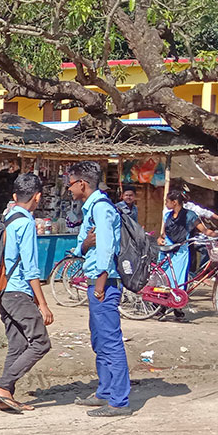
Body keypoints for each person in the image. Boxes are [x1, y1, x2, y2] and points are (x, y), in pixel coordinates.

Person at [69, 161, 132, 417]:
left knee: (110, 341)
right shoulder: (92, 208)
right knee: (99, 340)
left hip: (103, 285)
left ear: (82, 183)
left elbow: (106, 249)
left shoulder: (102, 209)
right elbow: (82, 248)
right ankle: (104, 391)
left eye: (70, 184)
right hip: (96, 283)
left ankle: (119, 401)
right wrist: (84, 245)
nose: (69, 189)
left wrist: (101, 286)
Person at [0, 173, 54, 413]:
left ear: (15, 196)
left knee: (17, 344)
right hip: (17, 291)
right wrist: (43, 304)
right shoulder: (26, 223)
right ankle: (3, 385)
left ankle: (5, 395)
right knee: (40, 342)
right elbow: (30, 268)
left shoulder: (7, 216)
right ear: (37, 197)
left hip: (1, 290)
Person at [158, 187, 216, 321]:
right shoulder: (168, 216)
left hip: (181, 252)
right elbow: (164, 234)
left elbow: (205, 231)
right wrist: (160, 238)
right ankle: (161, 307)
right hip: (167, 250)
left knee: (179, 281)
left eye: (167, 201)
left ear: (174, 202)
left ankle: (177, 308)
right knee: (164, 279)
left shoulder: (190, 216)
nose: (166, 203)